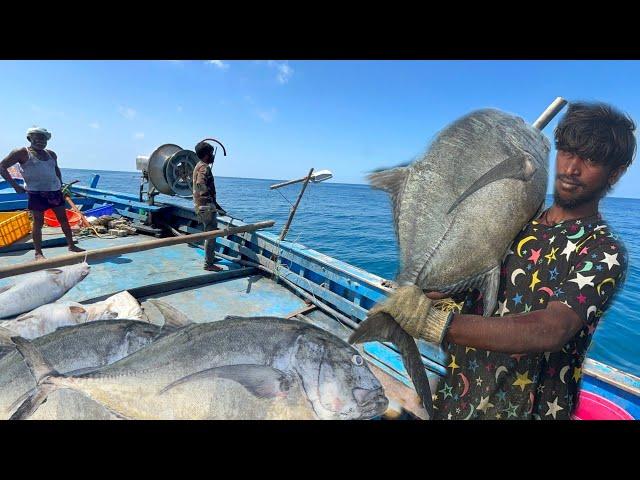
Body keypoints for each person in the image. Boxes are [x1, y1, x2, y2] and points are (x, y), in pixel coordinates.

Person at [368, 102, 634, 420]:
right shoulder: (517, 222)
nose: (571, 169)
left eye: (591, 160)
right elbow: (475, 284)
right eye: (567, 152)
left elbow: (551, 329)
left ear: (615, 173)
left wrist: (435, 323)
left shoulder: (603, 251)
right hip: (458, 399)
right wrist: (427, 293)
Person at [0, 127, 85, 260]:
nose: (41, 141)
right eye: (37, 138)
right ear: (29, 139)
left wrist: (61, 184)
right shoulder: (21, 152)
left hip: (55, 192)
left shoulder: (51, 154)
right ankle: (38, 253)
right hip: (36, 193)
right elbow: (2, 166)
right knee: (38, 223)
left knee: (63, 219)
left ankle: (71, 245)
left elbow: (56, 169)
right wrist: (15, 186)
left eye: (44, 139)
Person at [192, 141, 227, 272]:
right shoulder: (204, 168)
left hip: (201, 207)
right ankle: (208, 264)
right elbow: (201, 184)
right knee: (211, 235)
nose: (213, 156)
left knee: (209, 232)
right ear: (207, 155)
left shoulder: (198, 165)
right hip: (206, 208)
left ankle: (210, 257)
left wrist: (218, 206)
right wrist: (210, 203)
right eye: (211, 153)